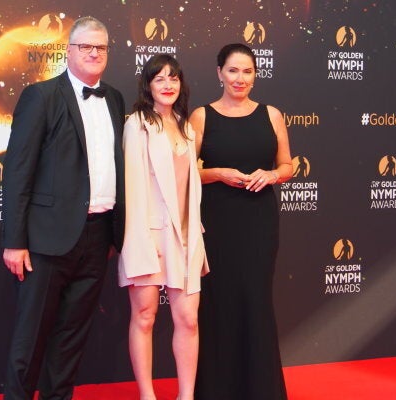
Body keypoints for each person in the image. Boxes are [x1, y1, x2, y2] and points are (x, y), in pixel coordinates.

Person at [1, 16, 125, 400]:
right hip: (46, 239)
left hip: (98, 237)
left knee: (71, 340)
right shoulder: (41, 96)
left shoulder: (116, 99)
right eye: (85, 46)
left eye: (100, 47)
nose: (93, 53)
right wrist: (14, 241)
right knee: (31, 337)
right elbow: (19, 171)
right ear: (68, 51)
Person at [189, 43, 293, 400]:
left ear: (256, 75)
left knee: (256, 301)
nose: (240, 78)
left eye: (247, 71)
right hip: (217, 223)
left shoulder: (272, 114)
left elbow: (287, 165)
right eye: (233, 70)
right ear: (219, 73)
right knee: (218, 305)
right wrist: (217, 173)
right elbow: (187, 173)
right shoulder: (202, 116)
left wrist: (272, 176)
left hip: (259, 222)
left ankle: (261, 390)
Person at [118, 54, 209, 400]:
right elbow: (133, 186)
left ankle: (186, 395)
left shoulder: (187, 127)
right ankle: (147, 395)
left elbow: (189, 188)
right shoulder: (138, 123)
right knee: (144, 315)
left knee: (188, 319)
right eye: (160, 79)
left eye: (173, 78)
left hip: (186, 238)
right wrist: (139, 239)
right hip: (149, 234)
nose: (168, 84)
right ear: (148, 86)